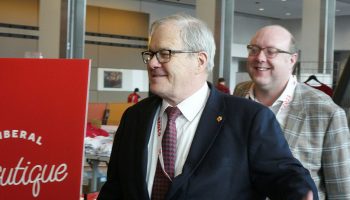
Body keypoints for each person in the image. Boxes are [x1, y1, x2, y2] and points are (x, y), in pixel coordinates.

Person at [98, 14, 317, 200]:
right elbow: (115, 190)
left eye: (165, 54)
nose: (153, 63)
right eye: (151, 54)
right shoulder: (135, 117)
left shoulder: (248, 119)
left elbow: (285, 177)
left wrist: (299, 193)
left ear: (200, 61)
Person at [233, 25, 350, 200]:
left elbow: (341, 190)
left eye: (271, 51)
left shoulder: (325, 111)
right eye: (254, 50)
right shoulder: (238, 96)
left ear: (292, 59)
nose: (260, 58)